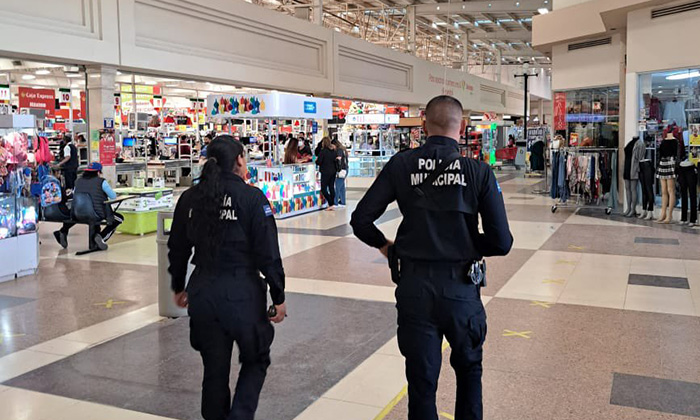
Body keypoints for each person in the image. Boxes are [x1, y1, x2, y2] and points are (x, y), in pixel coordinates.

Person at [350, 95, 513, 420]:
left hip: (414, 289)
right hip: (461, 289)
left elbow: (361, 219)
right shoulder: (477, 172)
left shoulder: (402, 165)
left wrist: (387, 247)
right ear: (462, 126)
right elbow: (502, 241)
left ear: (423, 124)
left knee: (421, 383)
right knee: (469, 373)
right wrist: (468, 242)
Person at [167, 135, 286, 420]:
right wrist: (278, 295)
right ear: (240, 161)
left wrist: (178, 286)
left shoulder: (191, 197)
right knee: (256, 358)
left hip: (204, 292)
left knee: (214, 370)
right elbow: (267, 252)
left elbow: (178, 246)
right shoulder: (252, 198)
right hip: (242, 293)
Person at [53, 162, 124, 250]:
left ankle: (62, 231)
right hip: (96, 213)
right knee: (118, 218)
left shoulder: (78, 181)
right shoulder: (101, 181)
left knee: (83, 212)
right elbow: (113, 196)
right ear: (98, 172)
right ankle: (100, 237)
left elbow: (75, 194)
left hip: (76, 213)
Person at [316, 136, 337, 211]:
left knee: (324, 189)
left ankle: (330, 203)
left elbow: (318, 162)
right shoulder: (334, 151)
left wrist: (316, 160)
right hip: (333, 171)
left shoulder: (323, 151)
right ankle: (332, 203)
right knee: (331, 187)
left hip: (325, 171)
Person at [332, 138, 348, 207]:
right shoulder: (343, 150)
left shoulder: (339, 150)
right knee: (341, 187)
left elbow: (339, 160)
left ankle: (335, 202)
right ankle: (342, 201)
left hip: (341, 170)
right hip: (345, 169)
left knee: (337, 187)